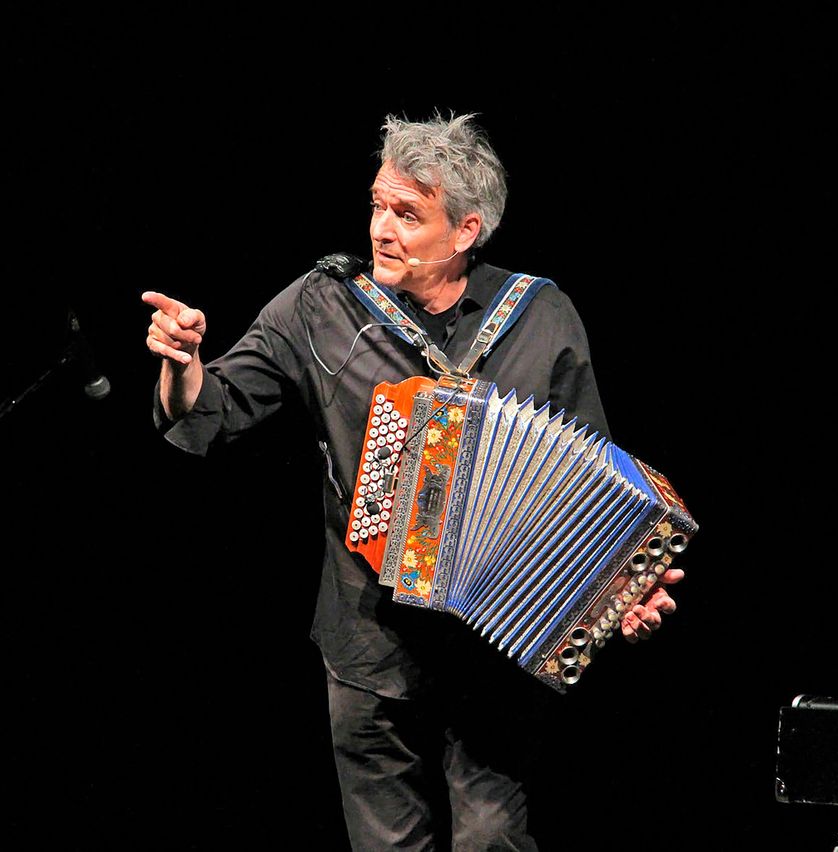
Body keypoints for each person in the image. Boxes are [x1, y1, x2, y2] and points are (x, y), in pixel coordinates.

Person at [143, 112, 683, 850]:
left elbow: (597, 487)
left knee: (492, 841)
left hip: (495, 648)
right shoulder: (321, 305)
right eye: (377, 204)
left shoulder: (541, 315)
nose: (381, 229)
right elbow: (210, 414)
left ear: (466, 231)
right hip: (368, 640)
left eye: (407, 214)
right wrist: (181, 365)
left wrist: (625, 590)